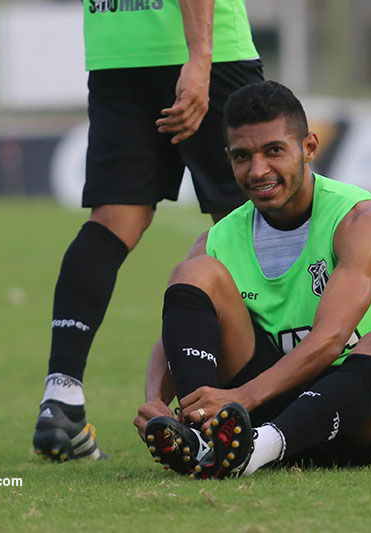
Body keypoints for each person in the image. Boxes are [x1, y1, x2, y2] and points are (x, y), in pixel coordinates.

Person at [133, 81, 371, 479]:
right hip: (273, 407)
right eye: (242, 156)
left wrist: (241, 397)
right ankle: (204, 434)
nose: (258, 170)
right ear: (228, 159)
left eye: (273, 151)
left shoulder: (360, 220)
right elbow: (174, 338)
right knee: (193, 273)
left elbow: (330, 340)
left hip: (365, 424)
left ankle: (252, 450)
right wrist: (156, 403)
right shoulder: (220, 239)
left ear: (308, 148)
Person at [32, 0, 264, 462]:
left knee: (113, 221)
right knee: (252, 218)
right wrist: (199, 57)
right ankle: (262, 398)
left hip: (117, 48)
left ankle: (61, 399)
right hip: (203, 47)